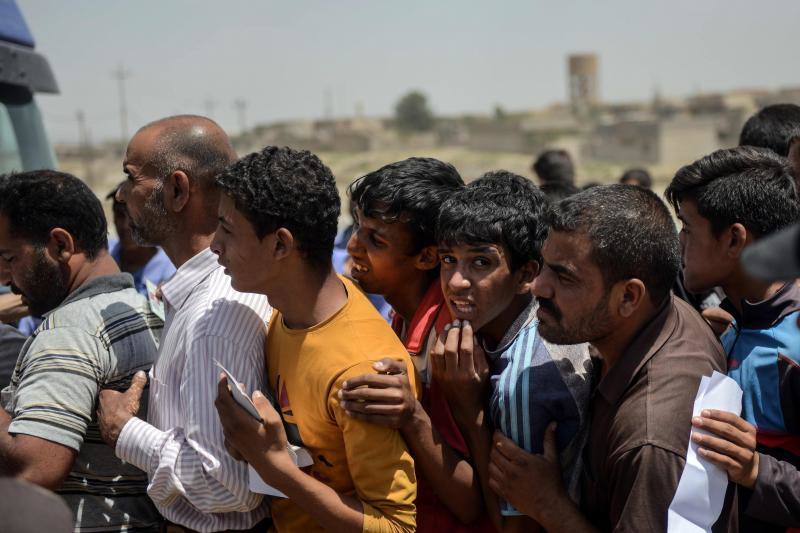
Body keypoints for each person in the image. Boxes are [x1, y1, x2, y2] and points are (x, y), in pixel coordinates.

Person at [486, 184, 736, 532]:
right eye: (544, 266)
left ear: (629, 297)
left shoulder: (648, 438)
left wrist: (548, 506)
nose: (537, 286)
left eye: (564, 276)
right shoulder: (661, 310)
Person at [212, 146, 417, 532]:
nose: (214, 244)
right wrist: (248, 447)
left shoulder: (359, 369)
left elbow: (397, 526)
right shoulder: (286, 313)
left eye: (227, 229)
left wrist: (276, 469)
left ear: (280, 245)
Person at [96, 115, 272, 532]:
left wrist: (125, 431)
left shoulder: (213, 315)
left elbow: (227, 486)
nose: (121, 195)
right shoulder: (202, 293)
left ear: (177, 190)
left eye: (131, 178)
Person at [339, 158, 496, 532]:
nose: (354, 246)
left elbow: (471, 500)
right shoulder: (402, 317)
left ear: (427, 257)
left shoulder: (448, 342)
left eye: (376, 239)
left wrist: (412, 417)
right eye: (358, 227)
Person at [0, 170, 162, 532]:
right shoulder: (137, 307)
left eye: (9, 258)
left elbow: (35, 466)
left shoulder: (69, 331)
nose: (4, 278)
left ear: (60, 245)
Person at [434, 171, 593, 531]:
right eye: (448, 260)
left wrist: (470, 412)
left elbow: (514, 526)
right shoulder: (539, 321)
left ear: (525, 275)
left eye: (481, 262)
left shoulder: (522, 383)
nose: (456, 282)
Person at [665, 146, 800, 532]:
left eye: (688, 228)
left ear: (734, 240)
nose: (680, 244)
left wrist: (756, 469)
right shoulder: (731, 323)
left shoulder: (792, 349)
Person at [106, 184, 176, 296]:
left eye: (131, 216)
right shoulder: (104, 253)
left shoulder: (169, 271)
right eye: (120, 215)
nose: (125, 225)